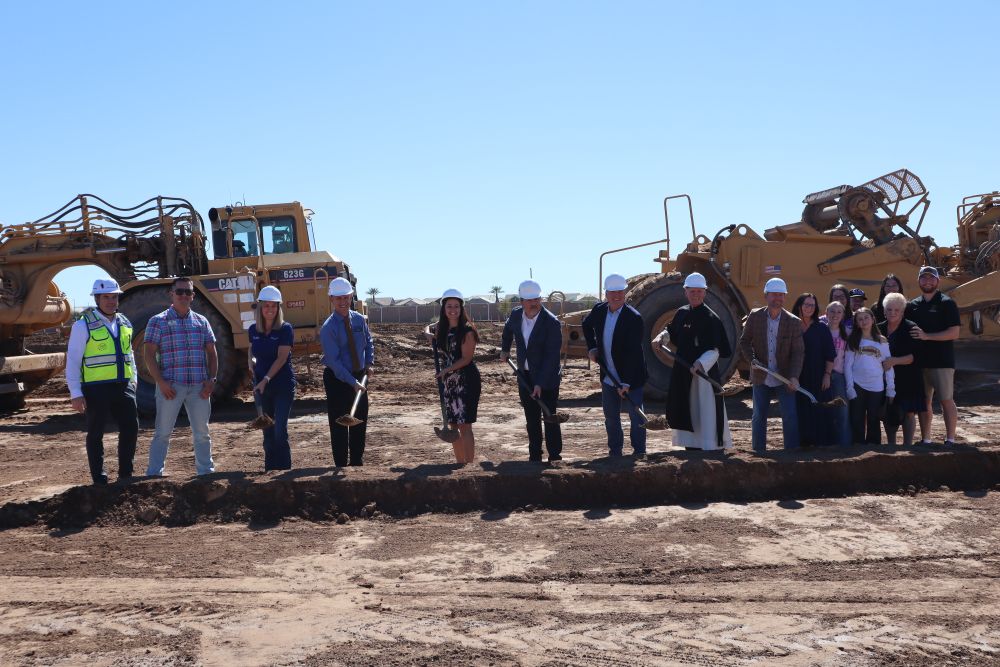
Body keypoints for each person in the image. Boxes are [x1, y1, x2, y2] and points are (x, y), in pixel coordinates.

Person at [65, 278, 139, 485]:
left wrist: (133, 379)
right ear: (97, 298)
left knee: (131, 428)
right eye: (106, 297)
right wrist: (75, 393)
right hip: (95, 389)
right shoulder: (82, 325)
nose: (110, 301)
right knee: (96, 433)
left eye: (114, 296)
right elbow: (73, 360)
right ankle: (99, 478)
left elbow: (129, 354)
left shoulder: (125, 322)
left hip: (123, 386)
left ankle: (126, 475)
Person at [144, 277, 219, 477]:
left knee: (202, 434)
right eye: (180, 292)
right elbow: (149, 354)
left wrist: (211, 380)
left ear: (193, 296)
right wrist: (161, 382)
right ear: (171, 294)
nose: (184, 295)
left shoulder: (202, 322)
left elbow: (212, 353)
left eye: (188, 292)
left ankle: (206, 472)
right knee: (163, 433)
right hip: (171, 387)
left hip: (198, 387)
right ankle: (154, 474)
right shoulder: (157, 321)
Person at [654, 272, 732, 451]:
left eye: (699, 291)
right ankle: (690, 443)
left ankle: (708, 445)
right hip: (683, 370)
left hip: (703, 373)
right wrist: (660, 338)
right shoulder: (681, 313)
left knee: (704, 409)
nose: (695, 294)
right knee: (686, 406)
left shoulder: (712, 318)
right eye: (692, 291)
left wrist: (700, 364)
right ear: (685, 292)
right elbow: (671, 332)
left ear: (705, 292)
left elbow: (716, 349)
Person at [583, 274, 649, 458]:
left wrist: (626, 382)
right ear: (606, 294)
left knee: (636, 417)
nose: (616, 296)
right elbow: (586, 325)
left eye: (620, 292)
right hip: (608, 375)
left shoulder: (633, 318)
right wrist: (592, 347)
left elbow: (633, 353)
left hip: (631, 376)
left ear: (625, 293)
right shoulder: (599, 310)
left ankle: (639, 452)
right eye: (612, 292)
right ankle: (615, 452)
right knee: (611, 418)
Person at [739, 277, 804, 452]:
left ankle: (791, 453)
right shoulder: (755, 316)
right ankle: (758, 453)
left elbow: (798, 352)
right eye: (774, 294)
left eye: (781, 295)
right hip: (761, 375)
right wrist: (751, 360)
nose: (778, 298)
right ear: (766, 296)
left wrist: (793, 377)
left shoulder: (793, 322)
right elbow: (744, 341)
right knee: (759, 415)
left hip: (784, 377)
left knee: (790, 415)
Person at [501, 280, 563, 463]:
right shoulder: (515, 315)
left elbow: (552, 357)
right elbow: (507, 331)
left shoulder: (551, 322)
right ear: (521, 301)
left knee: (550, 416)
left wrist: (540, 383)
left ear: (541, 298)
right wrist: (505, 349)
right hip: (524, 375)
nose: (534, 303)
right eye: (529, 300)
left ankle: (554, 455)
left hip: (547, 377)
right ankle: (535, 456)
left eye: (536, 299)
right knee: (531, 418)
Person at [320, 277, 374, 467]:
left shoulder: (359, 320)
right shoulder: (328, 328)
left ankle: (357, 463)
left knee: (359, 421)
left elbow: (369, 343)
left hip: (359, 376)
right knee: (339, 425)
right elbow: (333, 362)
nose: (343, 302)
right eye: (338, 299)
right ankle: (341, 465)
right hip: (338, 380)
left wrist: (369, 363)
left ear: (351, 297)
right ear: (331, 300)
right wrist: (352, 382)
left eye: (346, 298)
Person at [905, 266, 961, 446]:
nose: (927, 281)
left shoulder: (947, 303)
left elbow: (954, 333)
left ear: (938, 281)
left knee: (946, 400)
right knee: (924, 402)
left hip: (942, 362)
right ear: (918, 281)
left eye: (931, 278)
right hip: (920, 362)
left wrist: (927, 336)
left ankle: (950, 439)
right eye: (924, 278)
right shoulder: (912, 305)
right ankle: (926, 439)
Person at [429, 289, 481, 464]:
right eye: (449, 306)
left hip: (466, 381)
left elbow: (466, 359)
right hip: (449, 383)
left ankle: (469, 466)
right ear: (444, 308)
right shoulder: (442, 328)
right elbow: (427, 328)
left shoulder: (467, 330)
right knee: (453, 426)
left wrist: (445, 370)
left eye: (456, 306)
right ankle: (460, 465)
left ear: (461, 308)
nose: (453, 310)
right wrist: (428, 334)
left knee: (465, 426)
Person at [248, 285, 295, 471]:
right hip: (262, 386)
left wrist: (266, 379)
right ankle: (270, 471)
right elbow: (252, 349)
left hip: (282, 386)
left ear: (278, 308)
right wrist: (250, 362)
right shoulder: (253, 330)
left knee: (279, 430)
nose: (270, 309)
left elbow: (282, 357)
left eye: (274, 306)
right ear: (260, 307)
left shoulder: (285, 329)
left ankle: (284, 472)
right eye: (266, 306)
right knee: (267, 431)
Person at [879, 292, 924, 446]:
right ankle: (891, 445)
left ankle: (908, 445)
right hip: (886, 378)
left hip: (909, 377)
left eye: (896, 310)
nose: (892, 313)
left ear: (903, 311)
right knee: (888, 412)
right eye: (889, 309)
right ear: (884, 311)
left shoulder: (911, 328)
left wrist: (894, 361)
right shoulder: (878, 329)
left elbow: (916, 356)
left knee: (909, 413)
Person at [845, 307, 894, 445]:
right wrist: (850, 388)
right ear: (856, 323)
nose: (864, 321)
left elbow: (888, 366)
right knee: (857, 418)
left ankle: (874, 449)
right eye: (860, 319)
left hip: (877, 387)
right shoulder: (853, 340)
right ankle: (858, 447)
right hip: (857, 385)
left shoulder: (882, 340)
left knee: (873, 419)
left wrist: (891, 389)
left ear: (873, 319)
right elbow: (847, 366)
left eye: (866, 317)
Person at [791, 293, 835, 447]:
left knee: (819, 410)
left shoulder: (821, 328)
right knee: (801, 411)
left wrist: (827, 375)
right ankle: (803, 444)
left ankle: (822, 446)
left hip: (818, 376)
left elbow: (830, 354)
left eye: (812, 305)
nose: (809, 308)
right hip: (797, 376)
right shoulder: (792, 325)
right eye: (806, 304)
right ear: (799, 306)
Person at [822, 301, 851, 446]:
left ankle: (844, 444)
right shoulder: (821, 330)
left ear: (843, 315)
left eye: (839, 312)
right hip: (822, 375)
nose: (835, 315)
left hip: (840, 375)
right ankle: (826, 444)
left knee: (842, 410)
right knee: (825, 409)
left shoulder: (848, 332)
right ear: (826, 313)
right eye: (832, 311)